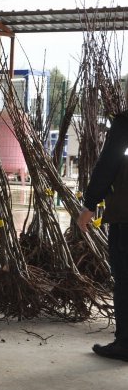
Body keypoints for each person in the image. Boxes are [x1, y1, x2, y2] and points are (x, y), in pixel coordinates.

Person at [77, 110, 128, 361]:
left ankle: (126, 345)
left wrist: (89, 205)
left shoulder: (125, 122)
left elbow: (109, 163)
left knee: (126, 279)